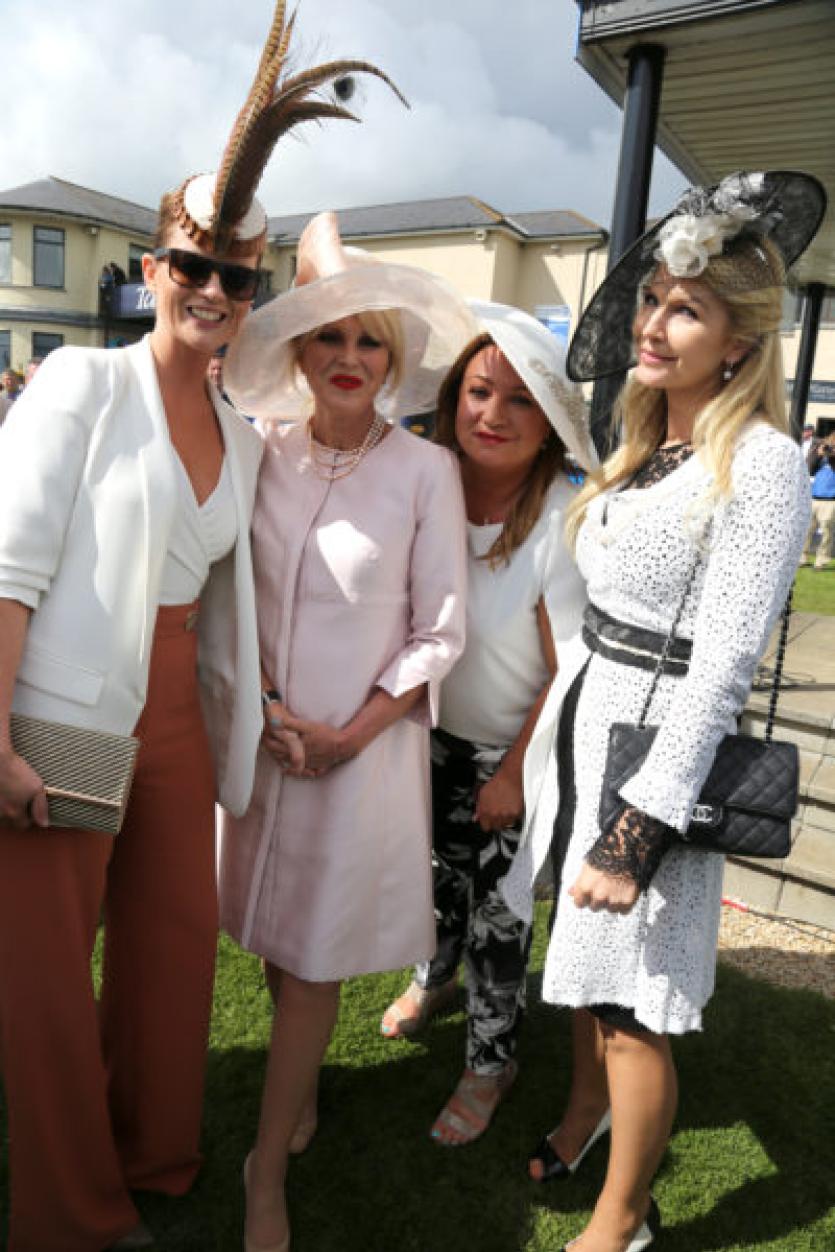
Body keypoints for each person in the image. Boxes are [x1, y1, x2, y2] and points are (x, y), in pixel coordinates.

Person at [0, 5, 403, 1247]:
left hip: (184, 719)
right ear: (152, 269)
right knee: (48, 986)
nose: (214, 292)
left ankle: (157, 1157)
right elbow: (6, 571)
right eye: (193, 267)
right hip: (63, 709)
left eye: (238, 276)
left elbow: (229, 591)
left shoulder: (240, 432)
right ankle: (70, 1209)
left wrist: (260, 702)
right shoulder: (79, 383)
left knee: (174, 955)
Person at [504, 171, 822, 1252]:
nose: (652, 321)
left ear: (738, 341)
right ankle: (586, 1115)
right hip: (593, 724)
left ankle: (619, 1223)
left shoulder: (763, 462)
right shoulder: (649, 449)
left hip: (657, 754)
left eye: (686, 308)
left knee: (634, 1004)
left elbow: (723, 666)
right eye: (650, 298)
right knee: (586, 975)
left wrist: (638, 826)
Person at [219, 211, 476, 1252]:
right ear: (298, 350)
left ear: (394, 359)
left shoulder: (424, 472)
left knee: (315, 958)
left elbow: (438, 630)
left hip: (359, 754)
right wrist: (275, 713)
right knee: (278, 946)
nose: (350, 359)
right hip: (264, 740)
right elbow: (229, 592)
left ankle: (264, 1171)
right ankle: (298, 1092)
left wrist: (346, 731)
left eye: (371, 341)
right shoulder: (260, 452)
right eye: (331, 337)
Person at [380, 303, 597, 1146]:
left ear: (548, 426)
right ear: (449, 400)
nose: (492, 415)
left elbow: (568, 665)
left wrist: (510, 772)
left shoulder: (560, 524)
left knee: (498, 922)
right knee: (429, 889)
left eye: (518, 400)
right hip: (418, 738)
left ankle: (490, 1061)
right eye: (477, 391)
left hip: (509, 754)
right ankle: (433, 979)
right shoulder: (423, 490)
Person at [803, 431, 835, 568]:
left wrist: (831, 456)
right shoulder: (822, 453)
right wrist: (818, 454)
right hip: (814, 496)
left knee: (826, 531)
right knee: (807, 530)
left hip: (830, 499)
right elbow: (810, 468)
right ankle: (801, 558)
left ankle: (821, 560)